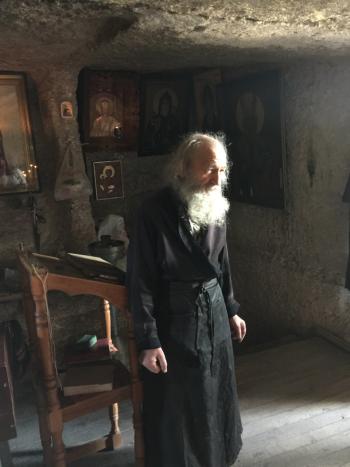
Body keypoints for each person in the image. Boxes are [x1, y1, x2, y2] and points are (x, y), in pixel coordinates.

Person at [127, 132, 246, 467]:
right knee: (178, 405)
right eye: (209, 169)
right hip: (173, 321)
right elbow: (141, 280)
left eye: (222, 170)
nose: (217, 179)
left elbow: (221, 264)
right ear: (183, 169)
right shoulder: (153, 211)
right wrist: (149, 341)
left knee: (214, 392)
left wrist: (232, 309)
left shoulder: (217, 205)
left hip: (215, 315)